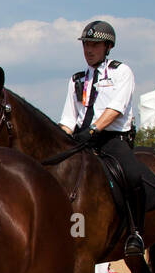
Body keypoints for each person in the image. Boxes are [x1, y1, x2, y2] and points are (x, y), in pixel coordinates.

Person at [58, 20, 146, 256]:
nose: (88, 49)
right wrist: (60, 142)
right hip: (80, 140)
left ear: (108, 46)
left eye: (95, 44)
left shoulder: (121, 72)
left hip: (112, 139)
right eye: (86, 44)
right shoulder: (76, 79)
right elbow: (68, 119)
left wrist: (94, 130)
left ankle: (135, 232)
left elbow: (117, 108)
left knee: (132, 175)